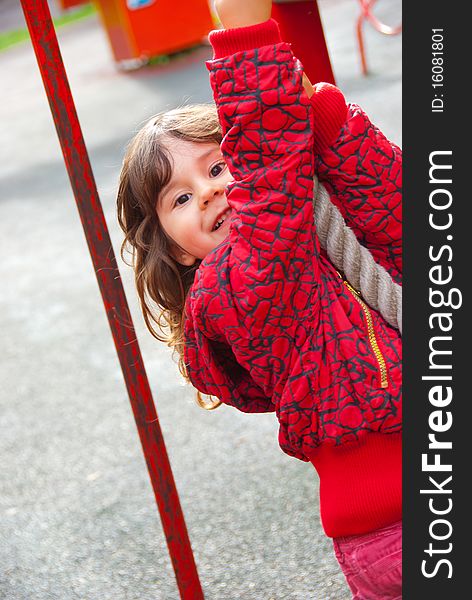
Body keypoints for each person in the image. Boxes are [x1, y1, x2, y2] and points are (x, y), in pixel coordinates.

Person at [117, 1, 402, 597]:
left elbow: (397, 213)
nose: (209, 193)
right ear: (178, 251)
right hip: (392, 530)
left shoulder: (309, 239)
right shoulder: (232, 289)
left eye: (219, 166)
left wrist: (321, 113)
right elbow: (271, 181)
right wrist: (246, 43)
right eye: (179, 199)